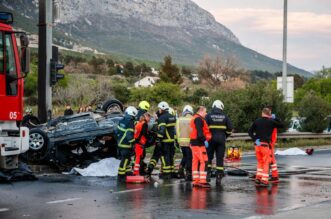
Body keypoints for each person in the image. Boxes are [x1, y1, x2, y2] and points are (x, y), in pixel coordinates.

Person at [248, 107, 284, 186]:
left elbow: (249, 131)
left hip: (257, 145)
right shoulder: (271, 121)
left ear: (262, 113)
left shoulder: (257, 121)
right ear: (269, 114)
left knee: (260, 162)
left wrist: (255, 139)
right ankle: (264, 180)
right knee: (266, 162)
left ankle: (258, 178)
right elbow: (282, 125)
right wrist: (276, 118)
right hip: (265, 145)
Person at [206, 100, 233, 186]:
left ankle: (208, 175)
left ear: (214, 106)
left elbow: (204, 127)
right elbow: (230, 128)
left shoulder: (208, 115)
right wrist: (225, 135)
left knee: (209, 157)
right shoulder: (225, 116)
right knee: (219, 158)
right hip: (221, 139)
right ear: (221, 107)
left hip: (210, 139)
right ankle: (219, 176)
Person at [190, 106, 211, 188]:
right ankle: (202, 181)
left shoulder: (195, 118)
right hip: (199, 143)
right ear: (201, 111)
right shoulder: (198, 119)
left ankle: (196, 180)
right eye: (205, 111)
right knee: (204, 161)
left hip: (194, 143)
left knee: (195, 161)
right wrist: (204, 140)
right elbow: (199, 132)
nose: (206, 113)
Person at [155, 101, 176, 180]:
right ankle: (171, 172)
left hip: (165, 141)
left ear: (162, 108)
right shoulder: (172, 117)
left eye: (160, 108)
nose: (159, 110)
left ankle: (166, 173)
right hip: (171, 140)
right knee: (171, 156)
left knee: (164, 156)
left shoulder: (162, 118)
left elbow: (162, 130)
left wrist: (158, 139)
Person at [116, 106, 137, 182]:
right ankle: (121, 176)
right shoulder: (130, 123)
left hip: (119, 144)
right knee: (125, 160)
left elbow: (116, 131)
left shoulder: (121, 120)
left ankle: (127, 172)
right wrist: (133, 143)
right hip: (126, 145)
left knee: (127, 159)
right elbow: (129, 135)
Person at [176, 105, 194, 181]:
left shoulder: (179, 119)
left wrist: (178, 141)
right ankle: (188, 174)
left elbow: (177, 132)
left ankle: (180, 168)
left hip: (182, 142)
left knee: (185, 156)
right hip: (190, 142)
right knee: (190, 157)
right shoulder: (193, 119)